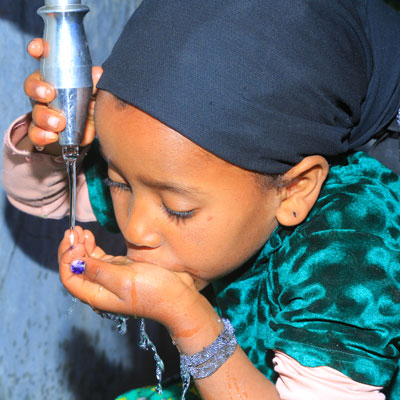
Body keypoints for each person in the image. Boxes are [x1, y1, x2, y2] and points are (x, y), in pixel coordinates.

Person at [3, 0, 400, 399]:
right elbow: (42, 195)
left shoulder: (352, 244)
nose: (136, 228)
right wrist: (60, 143)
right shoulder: (166, 175)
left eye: (178, 209)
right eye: (119, 183)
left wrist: (186, 317)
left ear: (294, 190)